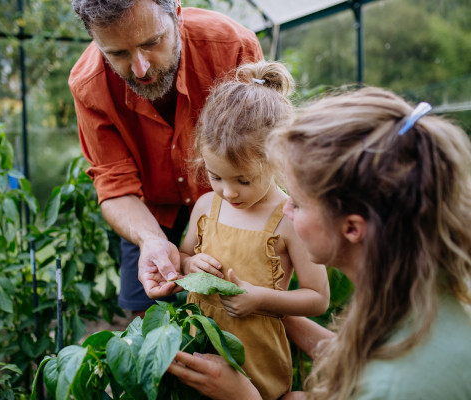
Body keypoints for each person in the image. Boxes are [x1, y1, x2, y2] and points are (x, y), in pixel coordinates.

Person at [168, 88, 471, 400]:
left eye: (297, 203)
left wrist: (245, 396)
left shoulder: (393, 387)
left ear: (352, 228)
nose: (284, 209)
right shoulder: (426, 301)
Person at [69, 0, 263, 316]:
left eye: (151, 43)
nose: (140, 67)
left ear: (176, 12)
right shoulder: (88, 85)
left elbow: (258, 155)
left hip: (228, 200)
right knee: (145, 316)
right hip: (150, 212)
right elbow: (115, 185)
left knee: (237, 311)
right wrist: (150, 240)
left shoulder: (231, 47)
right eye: (117, 54)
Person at [178, 60, 330, 400]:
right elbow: (185, 255)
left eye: (243, 180)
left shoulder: (290, 219)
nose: (228, 192)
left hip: (258, 357)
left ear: (277, 161)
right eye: (216, 177)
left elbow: (318, 298)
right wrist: (189, 265)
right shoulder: (206, 207)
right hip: (201, 345)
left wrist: (260, 299)